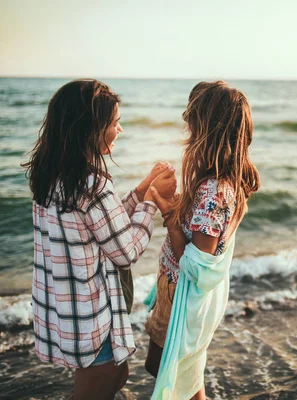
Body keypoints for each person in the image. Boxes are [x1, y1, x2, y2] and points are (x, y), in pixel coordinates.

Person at [22, 79, 176, 399]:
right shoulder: (92, 184)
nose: (119, 131)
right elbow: (125, 251)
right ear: (92, 128)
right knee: (98, 387)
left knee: (118, 374)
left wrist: (142, 187)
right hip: (92, 318)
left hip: (66, 309)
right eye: (115, 123)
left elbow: (103, 223)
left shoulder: (50, 175)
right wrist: (150, 201)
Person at [144, 81, 260, 399]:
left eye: (191, 121)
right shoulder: (219, 184)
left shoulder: (213, 191)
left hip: (181, 289)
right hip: (176, 286)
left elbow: (196, 263)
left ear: (206, 129)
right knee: (180, 370)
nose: (186, 126)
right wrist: (177, 201)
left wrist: (169, 214)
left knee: (166, 368)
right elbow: (203, 227)